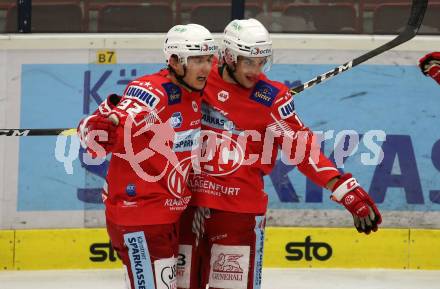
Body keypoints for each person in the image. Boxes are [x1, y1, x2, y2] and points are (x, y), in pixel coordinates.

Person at [177, 18, 382, 289]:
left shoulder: (272, 99)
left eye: (262, 62)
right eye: (249, 61)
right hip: (186, 205)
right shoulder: (200, 76)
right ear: (228, 56)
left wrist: (342, 187)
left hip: (238, 212)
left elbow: (303, 149)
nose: (256, 70)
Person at [77, 24, 217, 289]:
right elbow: (122, 116)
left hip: (165, 215)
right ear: (174, 61)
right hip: (140, 217)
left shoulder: (195, 88)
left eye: (208, 59)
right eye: (197, 60)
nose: (206, 68)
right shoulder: (152, 90)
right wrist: (104, 127)